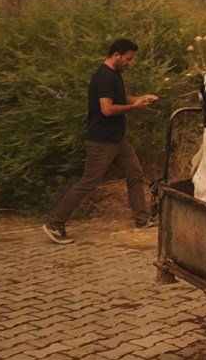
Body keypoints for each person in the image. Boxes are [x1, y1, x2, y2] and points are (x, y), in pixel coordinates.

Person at [43, 39, 159, 244]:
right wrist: (134, 107)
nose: (129, 63)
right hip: (102, 141)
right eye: (128, 59)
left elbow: (121, 97)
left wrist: (141, 98)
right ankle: (55, 223)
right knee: (88, 182)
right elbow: (107, 109)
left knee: (135, 174)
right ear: (116, 55)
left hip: (117, 139)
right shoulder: (104, 75)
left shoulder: (114, 74)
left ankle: (142, 221)